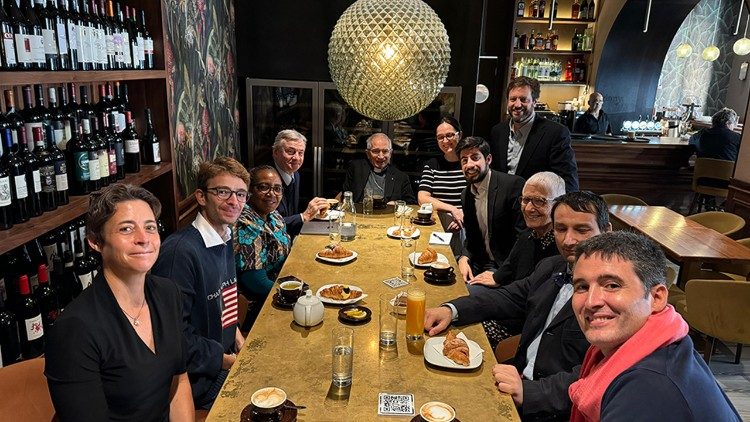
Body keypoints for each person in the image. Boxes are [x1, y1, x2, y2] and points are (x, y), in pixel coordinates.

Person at [424, 191, 612, 420]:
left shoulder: (613, 294)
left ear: (606, 232)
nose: (568, 240)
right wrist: (451, 310)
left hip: (555, 409)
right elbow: (506, 297)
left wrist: (531, 392)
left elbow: (601, 372)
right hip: (514, 378)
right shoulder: (551, 267)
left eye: (582, 230)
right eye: (561, 229)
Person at [45, 184, 194, 421]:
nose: (143, 239)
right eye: (126, 229)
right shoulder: (75, 329)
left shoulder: (168, 294)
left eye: (150, 228)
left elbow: (180, 379)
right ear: (95, 242)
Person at [569, 231, 740, 421]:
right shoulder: (666, 340)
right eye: (582, 287)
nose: (591, 302)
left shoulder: (648, 388)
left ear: (657, 298)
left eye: (612, 285)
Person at [151, 157, 247, 409]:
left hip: (224, 361)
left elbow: (224, 301)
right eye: (223, 192)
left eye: (240, 194)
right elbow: (173, 338)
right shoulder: (180, 253)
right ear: (201, 197)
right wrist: (227, 362)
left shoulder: (224, 235)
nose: (233, 201)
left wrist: (237, 337)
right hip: (198, 384)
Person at [473, 172, 566, 349]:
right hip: (510, 305)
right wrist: (496, 278)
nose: (529, 208)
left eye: (539, 201)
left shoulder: (561, 247)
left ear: (559, 203)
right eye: (525, 200)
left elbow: (535, 302)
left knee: (471, 331)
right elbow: (509, 267)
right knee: (469, 290)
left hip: (525, 323)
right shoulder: (527, 235)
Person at [489, 76, 579, 193]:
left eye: (523, 99)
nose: (517, 104)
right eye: (513, 99)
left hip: (535, 205)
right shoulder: (498, 131)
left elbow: (568, 182)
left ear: (535, 102)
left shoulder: (555, 133)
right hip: (502, 205)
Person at [455, 136, 525, 284]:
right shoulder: (466, 194)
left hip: (503, 267)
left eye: (475, 158)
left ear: (488, 159)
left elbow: (523, 240)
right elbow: (472, 237)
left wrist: (499, 276)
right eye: (464, 160)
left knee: (466, 297)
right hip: (477, 262)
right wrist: (463, 258)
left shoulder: (512, 186)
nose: (469, 165)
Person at [234, 165, 291, 327]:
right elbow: (255, 282)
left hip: (278, 288)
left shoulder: (273, 215)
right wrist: (294, 294)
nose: (272, 193)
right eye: (263, 187)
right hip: (258, 306)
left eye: (277, 189)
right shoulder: (244, 222)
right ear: (249, 190)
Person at [418, 116, 469, 256]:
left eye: (450, 135)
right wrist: (453, 210)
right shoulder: (432, 164)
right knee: (436, 259)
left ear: (460, 135)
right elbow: (422, 198)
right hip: (439, 225)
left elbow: (480, 197)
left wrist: (463, 215)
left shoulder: (469, 163)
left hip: (467, 224)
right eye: (440, 137)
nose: (445, 141)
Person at [271, 129, 329, 238]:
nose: (297, 158)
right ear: (275, 152)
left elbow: (292, 212)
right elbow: (270, 226)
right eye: (290, 152)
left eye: (300, 153)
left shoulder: (295, 174)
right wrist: (304, 216)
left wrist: (315, 210)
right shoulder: (267, 180)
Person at [341, 133, 416, 203]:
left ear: (390, 153)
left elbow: (411, 203)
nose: (381, 156)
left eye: (385, 151)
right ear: (367, 153)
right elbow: (345, 195)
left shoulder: (401, 177)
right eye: (376, 151)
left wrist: (396, 204)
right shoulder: (356, 169)